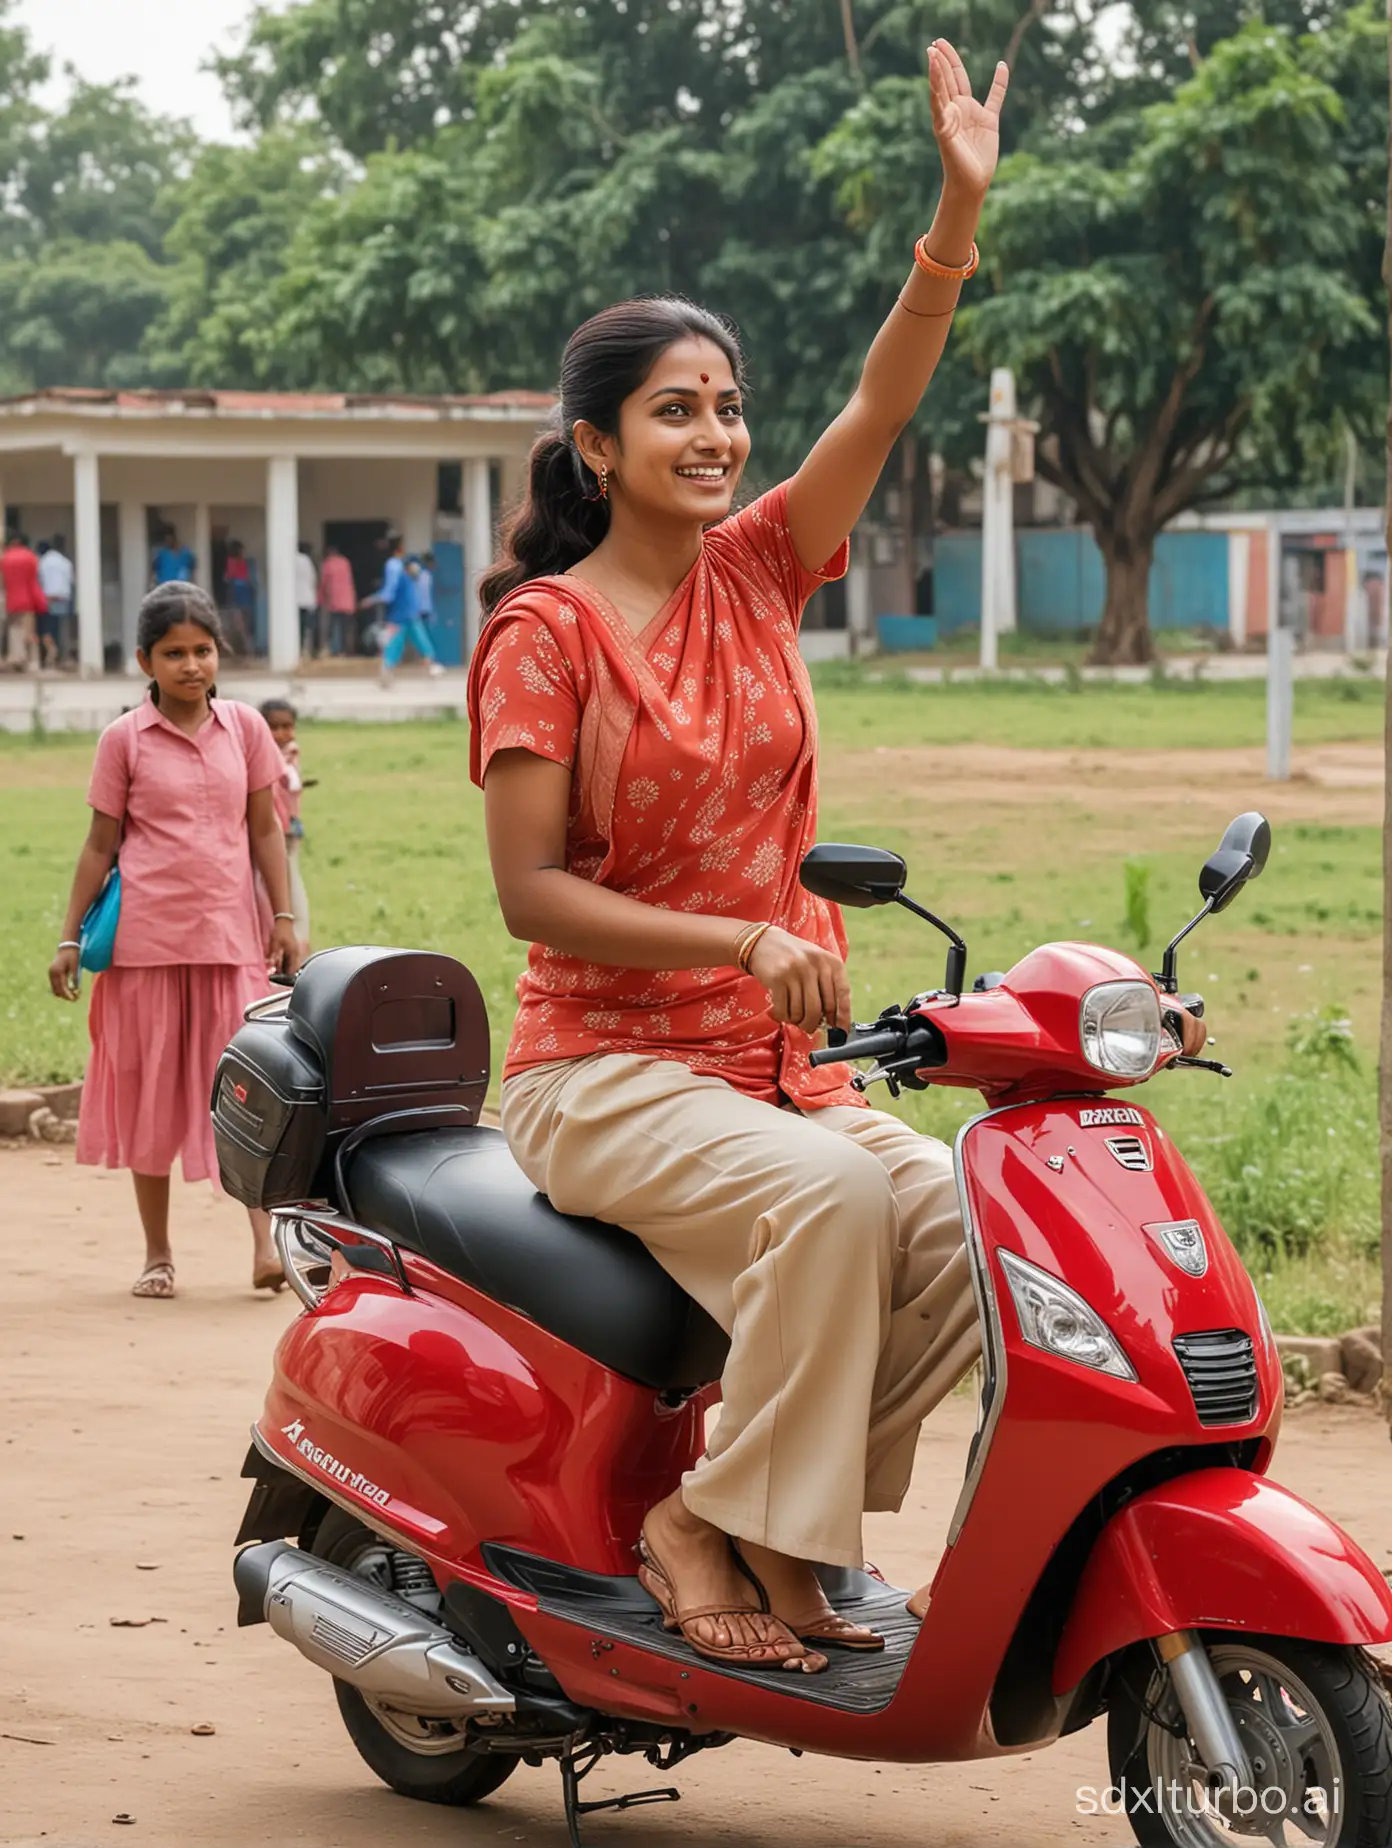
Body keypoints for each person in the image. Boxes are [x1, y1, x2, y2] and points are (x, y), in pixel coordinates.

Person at [468, 41, 1210, 1677]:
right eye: (677, 411)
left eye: (727, 406)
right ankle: (695, 1519)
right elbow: (526, 893)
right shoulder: (545, 635)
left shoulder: (756, 569)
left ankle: (772, 1522)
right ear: (596, 444)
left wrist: (954, 213)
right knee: (822, 1205)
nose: (716, 433)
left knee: (960, 1213)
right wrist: (737, 943)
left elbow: (887, 392)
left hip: (772, 1068)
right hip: (600, 1065)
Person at [48, 582, 300, 1300]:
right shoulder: (122, 740)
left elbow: (263, 830)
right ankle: (157, 1254)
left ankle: (264, 1242)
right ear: (144, 661)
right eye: (173, 653)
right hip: (143, 947)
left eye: (202, 650)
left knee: (249, 1098)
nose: (191, 665)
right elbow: (100, 845)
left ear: (219, 653)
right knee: (151, 1095)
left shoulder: (248, 729)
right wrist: (70, 937)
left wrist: (282, 920)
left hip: (228, 939)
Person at [260, 698, 311, 960]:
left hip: (289, 834)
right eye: (274, 727)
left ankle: (297, 948)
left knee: (291, 888)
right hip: (268, 834)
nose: (282, 734)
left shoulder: (290, 754)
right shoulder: (261, 757)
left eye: (288, 727)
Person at [361, 534, 444, 688]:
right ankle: (431, 669)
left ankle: (388, 673)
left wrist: (372, 599)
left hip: (399, 613)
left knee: (395, 642)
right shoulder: (402, 565)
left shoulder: (393, 565)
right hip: (408, 610)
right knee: (419, 640)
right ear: (399, 548)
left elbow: (388, 593)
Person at [2, 532, 47, 671]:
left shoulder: (4, 558)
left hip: (10, 600)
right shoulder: (31, 558)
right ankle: (33, 662)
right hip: (27, 600)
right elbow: (34, 581)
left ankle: (16, 657)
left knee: (14, 628)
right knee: (29, 632)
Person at [38, 534, 74, 667]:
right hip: (63, 599)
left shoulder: (43, 561)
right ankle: (64, 658)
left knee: (47, 629)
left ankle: (51, 654)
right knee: (62, 629)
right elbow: (71, 581)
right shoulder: (66, 562)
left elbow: (39, 580)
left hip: (48, 599)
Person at [318, 543, 357, 657]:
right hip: (347, 601)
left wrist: (320, 599)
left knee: (332, 627)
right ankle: (343, 651)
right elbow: (350, 581)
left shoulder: (327, 564)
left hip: (334, 601)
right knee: (345, 627)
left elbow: (324, 583)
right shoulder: (345, 562)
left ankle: (331, 649)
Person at [221, 538, 255, 656]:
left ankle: (245, 652)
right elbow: (239, 578)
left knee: (241, 628)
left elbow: (229, 578)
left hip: (241, 597)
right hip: (239, 597)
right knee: (241, 628)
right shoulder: (234, 562)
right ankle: (247, 652)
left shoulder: (240, 563)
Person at [295, 541, 319, 660]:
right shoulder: (307, 561)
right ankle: (308, 652)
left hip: (294, 601)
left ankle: (298, 651)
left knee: (297, 628)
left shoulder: (291, 559)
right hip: (307, 599)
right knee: (308, 628)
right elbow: (313, 579)